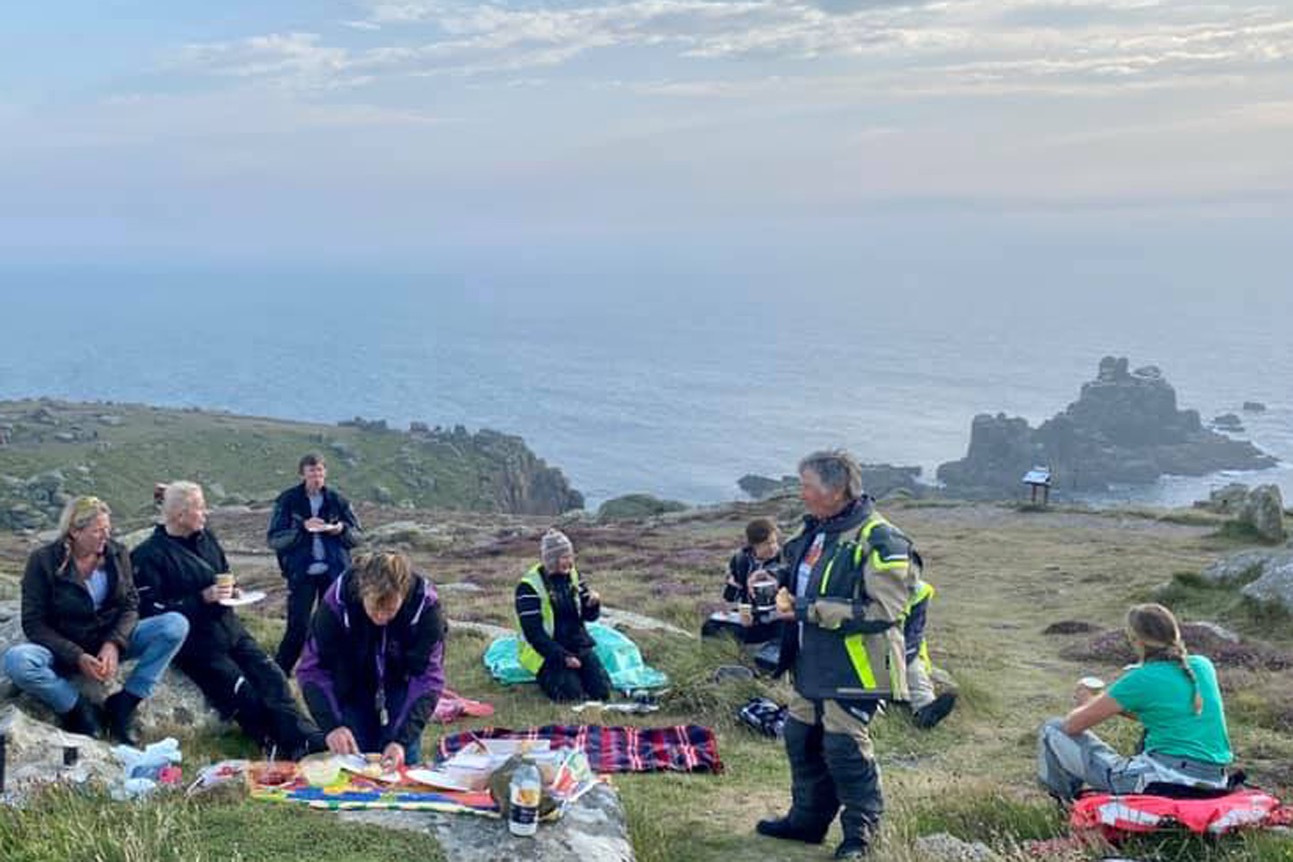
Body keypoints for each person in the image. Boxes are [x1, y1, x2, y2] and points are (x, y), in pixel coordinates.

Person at [759, 450, 915, 860]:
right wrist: (779, 584)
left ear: (837, 490)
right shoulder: (818, 530)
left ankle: (861, 837)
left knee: (844, 748)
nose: (802, 493)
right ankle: (807, 822)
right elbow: (805, 576)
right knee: (801, 738)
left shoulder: (882, 539)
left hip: (857, 666)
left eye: (808, 485)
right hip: (811, 661)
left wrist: (809, 609)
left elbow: (887, 611)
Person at [132, 482, 326, 758]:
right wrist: (201, 598)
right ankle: (273, 743)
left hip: (229, 627)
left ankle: (304, 738)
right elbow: (151, 611)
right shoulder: (148, 555)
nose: (206, 513)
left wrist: (233, 591)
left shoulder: (205, 537)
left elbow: (223, 570)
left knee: (272, 676)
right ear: (179, 516)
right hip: (196, 643)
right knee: (242, 691)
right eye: (199, 508)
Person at [4, 496, 189, 744]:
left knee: (175, 625)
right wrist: (76, 656)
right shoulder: (44, 561)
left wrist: (114, 643)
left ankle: (125, 702)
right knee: (17, 661)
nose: (105, 536)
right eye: (98, 531)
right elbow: (34, 623)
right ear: (74, 531)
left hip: (107, 644)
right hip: (61, 648)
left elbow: (130, 604)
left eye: (108, 530)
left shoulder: (117, 553)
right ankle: (76, 707)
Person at [1038, 603, 1233, 802]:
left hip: (1166, 780)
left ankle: (1065, 806)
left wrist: (1086, 702)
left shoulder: (1140, 679)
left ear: (1136, 640)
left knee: (1052, 729)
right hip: (1215, 779)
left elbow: (1072, 726)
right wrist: (1116, 708)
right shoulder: (1203, 665)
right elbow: (1165, 714)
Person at [297, 551, 446, 768]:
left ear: (403, 595)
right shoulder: (338, 601)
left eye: (390, 610)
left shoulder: (426, 608)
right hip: (352, 682)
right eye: (375, 607)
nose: (382, 617)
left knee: (402, 762)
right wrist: (332, 726)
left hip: (402, 682)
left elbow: (428, 679)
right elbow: (312, 669)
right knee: (353, 762)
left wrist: (401, 741)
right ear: (362, 591)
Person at [268, 453, 362, 674]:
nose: (317, 476)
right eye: (312, 472)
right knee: (297, 627)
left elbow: (358, 536)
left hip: (334, 572)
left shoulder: (338, 500)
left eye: (320, 471)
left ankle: (330, 672)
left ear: (325, 473)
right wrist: (302, 528)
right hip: (302, 573)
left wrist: (341, 530)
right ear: (302, 474)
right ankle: (280, 673)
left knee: (334, 624)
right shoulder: (288, 500)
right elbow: (274, 539)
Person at [515, 529, 611, 703]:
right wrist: (564, 657)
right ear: (552, 559)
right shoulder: (528, 587)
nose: (570, 561)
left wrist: (593, 605)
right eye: (564, 557)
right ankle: (554, 676)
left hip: (576, 643)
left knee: (602, 692)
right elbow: (534, 634)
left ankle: (579, 674)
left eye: (570, 556)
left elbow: (589, 617)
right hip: (545, 652)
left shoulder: (574, 576)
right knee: (571, 696)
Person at [702, 517, 783, 643]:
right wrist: (728, 607)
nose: (774, 547)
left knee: (754, 632)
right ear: (754, 544)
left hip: (776, 616)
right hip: (747, 613)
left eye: (775, 542)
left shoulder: (783, 560)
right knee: (710, 627)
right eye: (767, 543)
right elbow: (733, 588)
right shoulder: (741, 559)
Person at [902, 576, 958, 730]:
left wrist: (902, 658)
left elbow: (914, 633)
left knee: (915, 673)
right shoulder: (869, 587)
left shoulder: (920, 592)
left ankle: (925, 713)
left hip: (904, 650)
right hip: (867, 648)